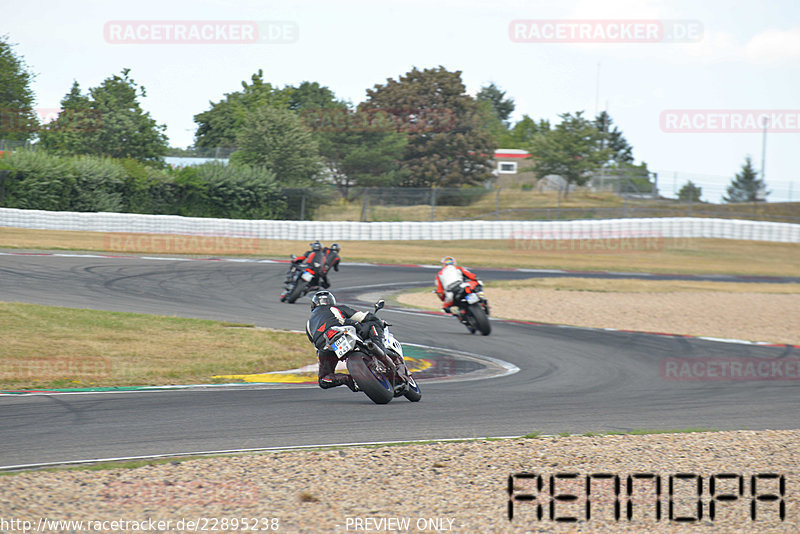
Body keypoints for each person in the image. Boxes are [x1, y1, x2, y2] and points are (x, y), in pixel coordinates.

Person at [305, 290, 385, 391]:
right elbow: (363, 316)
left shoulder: (308, 324)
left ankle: (348, 380)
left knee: (324, 380)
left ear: (313, 305)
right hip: (342, 333)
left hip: (326, 347)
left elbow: (315, 345)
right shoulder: (336, 308)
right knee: (373, 324)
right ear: (331, 301)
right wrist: (376, 320)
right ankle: (380, 352)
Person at [434, 256, 483, 327]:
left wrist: (442, 298)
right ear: (454, 263)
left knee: (445, 308)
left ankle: (459, 312)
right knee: (477, 283)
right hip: (461, 286)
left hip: (450, 292)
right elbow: (471, 276)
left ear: (443, 264)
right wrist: (475, 278)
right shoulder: (458, 268)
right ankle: (481, 296)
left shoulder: (439, 275)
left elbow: (440, 290)